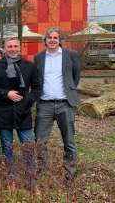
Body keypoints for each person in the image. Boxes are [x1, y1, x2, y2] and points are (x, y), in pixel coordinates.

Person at [0, 38, 42, 195]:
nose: (12, 49)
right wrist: (6, 94)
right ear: (4, 48)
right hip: (3, 112)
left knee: (28, 148)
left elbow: (37, 88)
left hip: (23, 112)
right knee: (7, 147)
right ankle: (11, 179)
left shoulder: (29, 66)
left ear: (19, 48)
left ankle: (32, 181)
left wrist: (27, 102)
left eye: (15, 46)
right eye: (9, 47)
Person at [34, 27, 81, 188]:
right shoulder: (38, 57)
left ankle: (70, 173)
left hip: (65, 104)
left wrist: (69, 93)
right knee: (40, 141)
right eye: (49, 38)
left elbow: (75, 77)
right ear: (45, 40)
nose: (52, 40)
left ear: (60, 39)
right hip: (44, 104)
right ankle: (41, 171)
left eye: (55, 37)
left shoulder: (71, 55)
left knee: (69, 141)